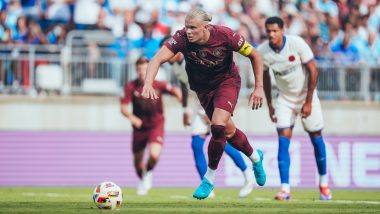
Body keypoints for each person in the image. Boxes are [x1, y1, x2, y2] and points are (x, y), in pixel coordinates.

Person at [141, 8, 266, 200]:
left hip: (227, 83)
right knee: (229, 132)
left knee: (217, 125)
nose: (188, 31)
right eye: (186, 27)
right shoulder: (181, 38)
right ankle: (256, 158)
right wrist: (148, 83)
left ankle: (209, 178)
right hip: (202, 90)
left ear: (206, 27)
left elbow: (255, 55)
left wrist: (258, 87)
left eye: (193, 28)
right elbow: (157, 59)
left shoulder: (225, 35)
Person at [160, 37, 255, 198]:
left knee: (223, 141)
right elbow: (184, 86)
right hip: (198, 105)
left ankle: (248, 174)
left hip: (211, 102)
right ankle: (207, 185)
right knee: (197, 145)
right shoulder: (175, 65)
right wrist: (185, 109)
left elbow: (208, 83)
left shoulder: (188, 60)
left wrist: (207, 112)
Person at [258, 16, 332, 201]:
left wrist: (307, 102)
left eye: (275, 31)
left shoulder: (297, 43)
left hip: (307, 96)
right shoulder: (263, 52)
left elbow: (314, 70)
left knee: (316, 138)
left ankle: (323, 184)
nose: (271, 34)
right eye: (268, 31)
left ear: (283, 30)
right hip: (284, 99)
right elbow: (265, 78)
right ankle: (285, 189)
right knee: (283, 139)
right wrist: (269, 104)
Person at [120, 56, 182, 196]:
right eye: (139, 69)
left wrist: (185, 108)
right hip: (139, 127)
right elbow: (123, 107)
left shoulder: (159, 84)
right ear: (136, 70)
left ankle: (147, 174)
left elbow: (177, 91)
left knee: (154, 155)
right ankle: (142, 180)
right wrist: (132, 117)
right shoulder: (131, 86)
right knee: (137, 163)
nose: (142, 72)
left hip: (156, 124)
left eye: (145, 69)